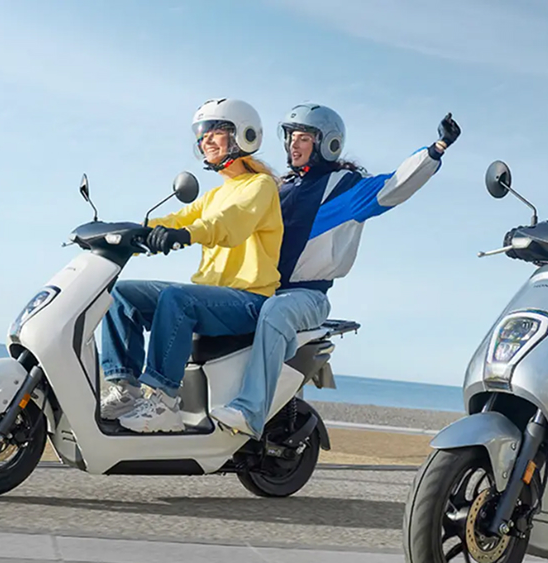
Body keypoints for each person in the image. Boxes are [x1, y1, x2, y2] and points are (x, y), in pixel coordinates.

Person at [206, 104, 460, 438]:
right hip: (262, 291)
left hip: (305, 296)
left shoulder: (345, 188)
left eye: (303, 138)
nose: (293, 145)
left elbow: (396, 184)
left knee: (276, 311)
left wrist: (436, 149)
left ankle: (250, 411)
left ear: (328, 143)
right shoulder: (279, 188)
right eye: (290, 138)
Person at [97, 97, 284, 433]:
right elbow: (175, 219)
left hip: (249, 300)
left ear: (243, 135)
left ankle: (165, 402)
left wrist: (186, 235)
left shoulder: (260, 187)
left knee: (178, 299)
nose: (206, 140)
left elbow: (229, 223)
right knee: (121, 294)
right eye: (202, 134)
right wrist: (125, 235)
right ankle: (125, 390)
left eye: (216, 131)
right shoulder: (214, 195)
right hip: (213, 296)